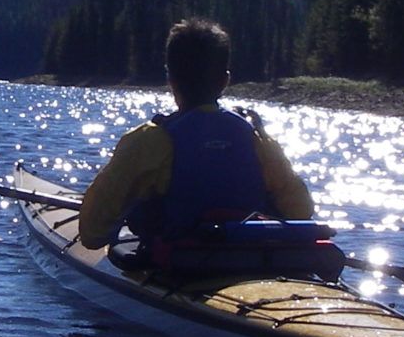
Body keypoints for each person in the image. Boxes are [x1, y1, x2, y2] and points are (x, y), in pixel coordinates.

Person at [78, 18, 314, 251]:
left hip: (179, 267)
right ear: (225, 81)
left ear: (170, 78)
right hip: (250, 257)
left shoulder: (147, 141)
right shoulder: (257, 139)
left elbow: (92, 234)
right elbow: (301, 212)